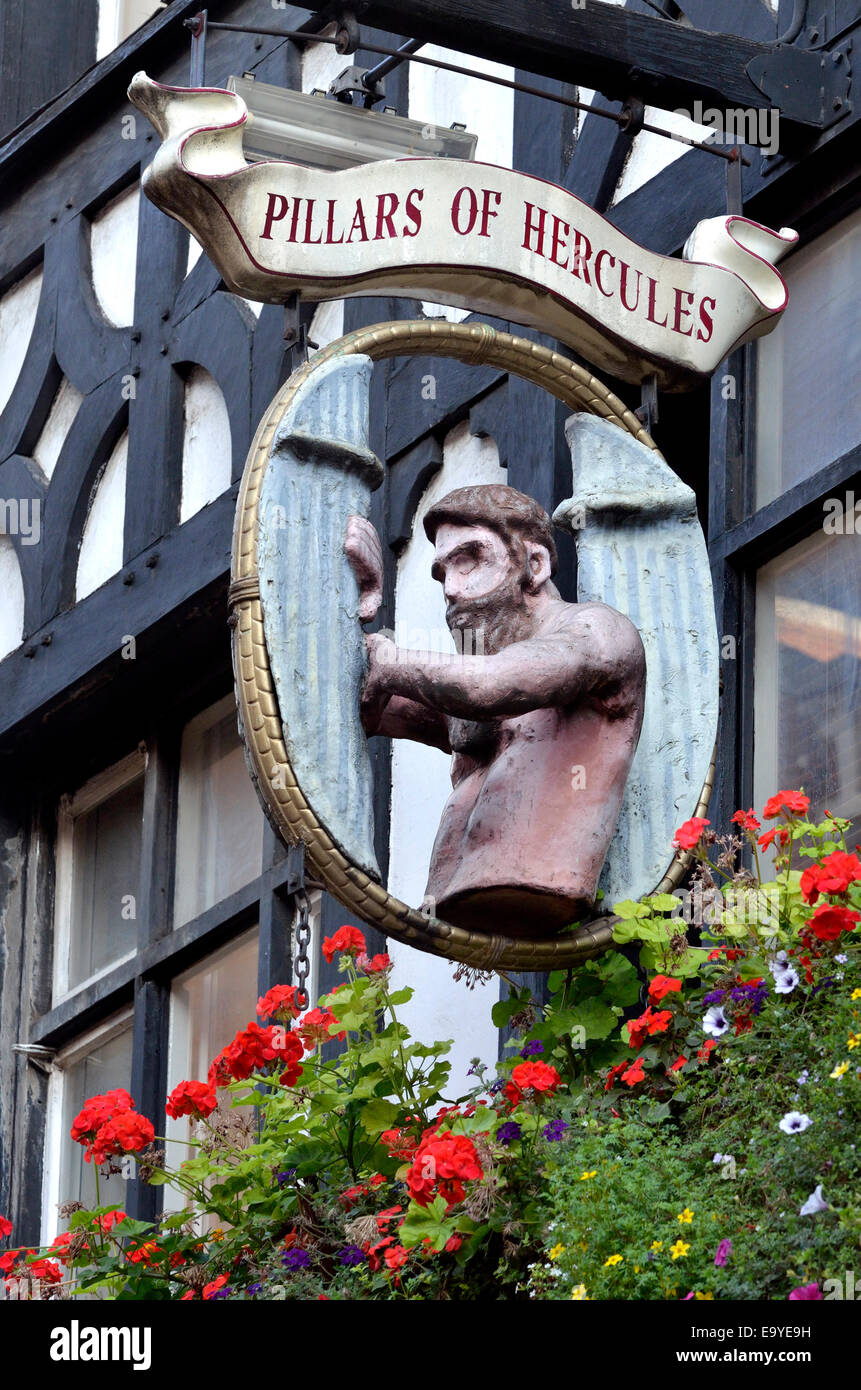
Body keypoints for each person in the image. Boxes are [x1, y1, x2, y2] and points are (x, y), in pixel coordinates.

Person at [345, 484, 646, 938]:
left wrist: (390, 662)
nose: (451, 589)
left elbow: (492, 686)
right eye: (442, 573)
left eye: (470, 561)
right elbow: (356, 702)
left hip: (542, 884)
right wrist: (350, 596)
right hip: (460, 899)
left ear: (535, 565)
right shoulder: (472, 678)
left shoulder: (596, 633)